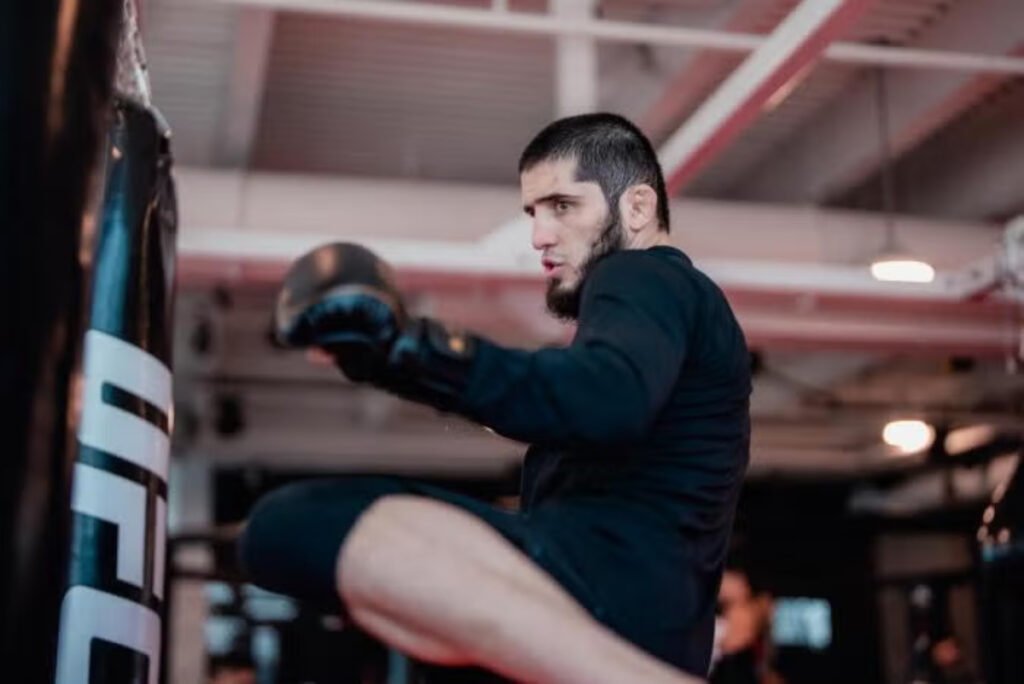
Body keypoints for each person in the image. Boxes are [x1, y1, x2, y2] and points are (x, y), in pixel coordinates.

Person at [238, 113, 751, 683]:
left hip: (607, 589)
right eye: (533, 213)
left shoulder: (643, 274)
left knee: (294, 524)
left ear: (636, 207)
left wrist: (406, 347)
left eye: (562, 206)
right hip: (642, 624)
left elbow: (604, 398)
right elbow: (578, 401)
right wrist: (395, 359)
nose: (539, 236)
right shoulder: (680, 319)